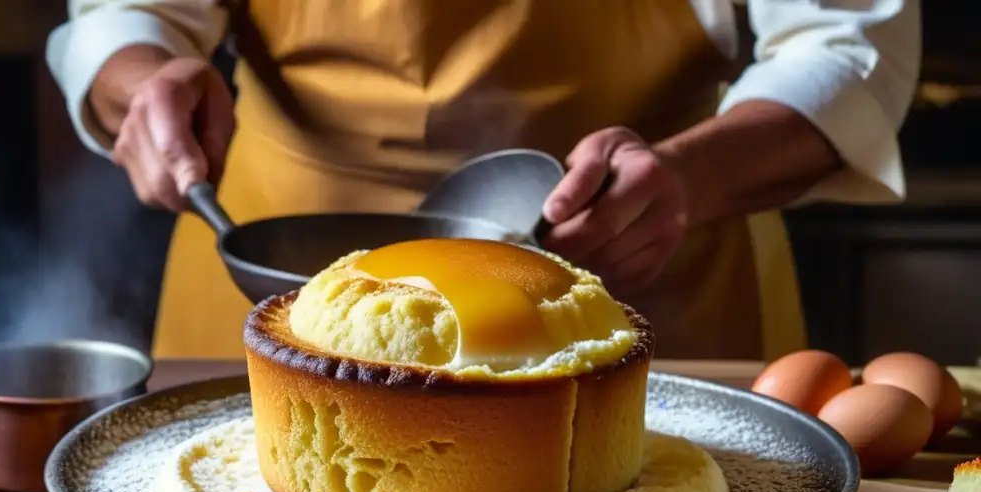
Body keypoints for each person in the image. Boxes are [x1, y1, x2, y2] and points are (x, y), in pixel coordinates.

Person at [46, 0, 921, 361]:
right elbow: (133, 14)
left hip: (637, 257)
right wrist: (144, 76)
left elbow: (846, 48)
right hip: (282, 261)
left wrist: (686, 178)